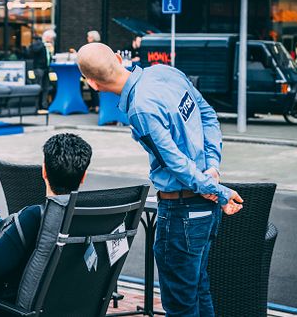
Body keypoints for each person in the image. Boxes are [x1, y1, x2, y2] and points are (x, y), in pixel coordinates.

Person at [76, 43, 243, 316]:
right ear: (119, 58)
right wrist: (212, 168)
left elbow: (174, 163)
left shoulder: (140, 110)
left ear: (93, 84)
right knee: (199, 291)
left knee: (181, 306)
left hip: (182, 213)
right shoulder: (166, 72)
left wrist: (218, 189)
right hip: (205, 208)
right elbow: (208, 115)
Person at [0, 133, 92, 304]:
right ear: (83, 176)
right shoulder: (94, 217)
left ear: (43, 171)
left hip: (6, 307)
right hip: (67, 306)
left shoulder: (35, 217)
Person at [29, 34, 52, 108]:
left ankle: (44, 104)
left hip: (46, 68)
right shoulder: (39, 43)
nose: (51, 39)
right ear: (46, 37)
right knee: (38, 87)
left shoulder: (48, 46)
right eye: (50, 38)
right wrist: (43, 44)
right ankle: (36, 105)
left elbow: (48, 57)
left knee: (46, 87)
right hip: (39, 68)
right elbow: (34, 50)